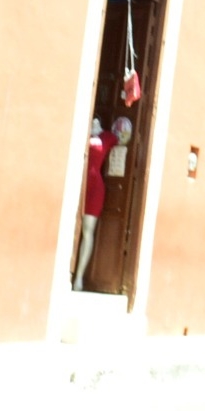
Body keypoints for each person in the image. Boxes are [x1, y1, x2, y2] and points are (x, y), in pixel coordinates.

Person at [73, 117, 118, 291]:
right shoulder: (80, 128)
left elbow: (119, 136)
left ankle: (79, 277)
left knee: (88, 230)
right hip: (78, 181)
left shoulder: (105, 137)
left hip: (95, 187)